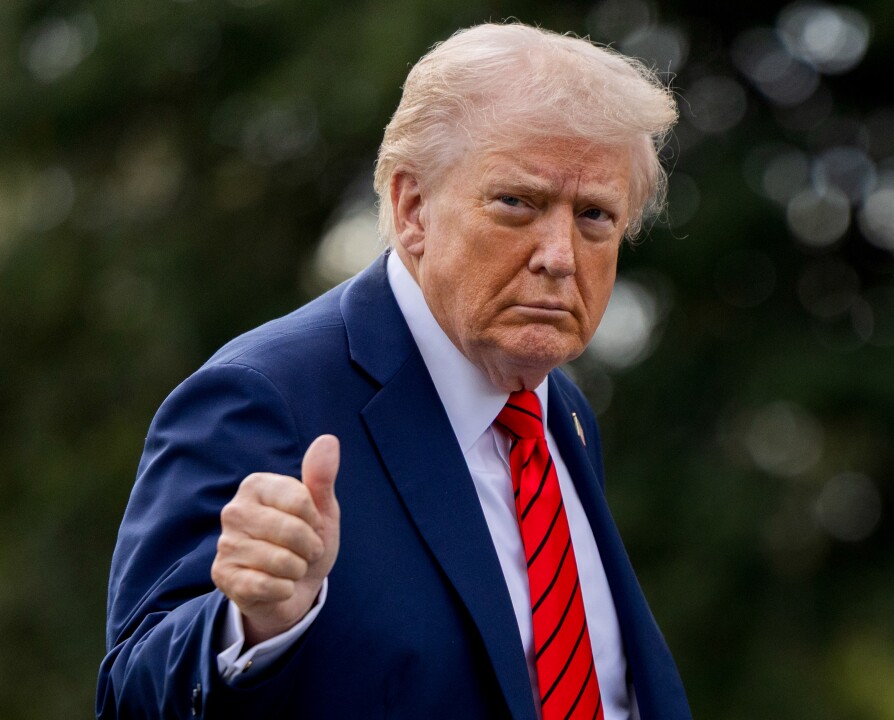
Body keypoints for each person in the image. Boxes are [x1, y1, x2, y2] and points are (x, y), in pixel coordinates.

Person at [97, 22, 690, 719]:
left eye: (594, 215)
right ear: (413, 208)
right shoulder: (264, 396)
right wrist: (253, 629)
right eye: (518, 203)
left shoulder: (557, 411)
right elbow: (132, 695)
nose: (559, 254)